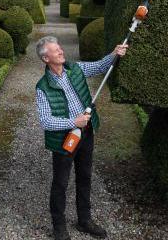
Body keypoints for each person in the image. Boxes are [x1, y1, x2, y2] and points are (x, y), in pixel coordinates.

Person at [34, 35, 128, 240]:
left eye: (60, 47)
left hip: (86, 134)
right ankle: (59, 226)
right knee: (61, 182)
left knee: (84, 176)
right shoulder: (42, 87)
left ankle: (84, 220)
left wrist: (114, 54)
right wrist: (72, 123)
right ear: (45, 58)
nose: (60, 51)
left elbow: (99, 67)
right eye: (55, 49)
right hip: (63, 140)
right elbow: (46, 121)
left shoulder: (75, 68)